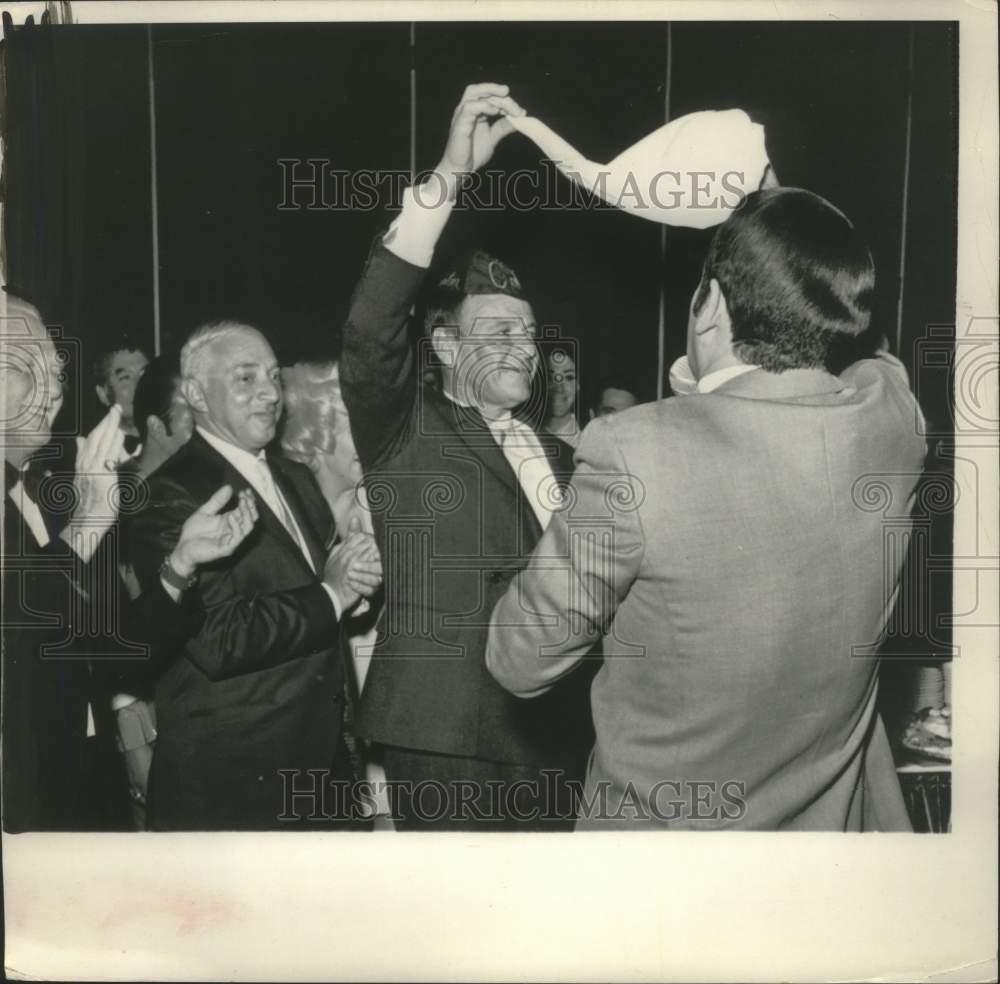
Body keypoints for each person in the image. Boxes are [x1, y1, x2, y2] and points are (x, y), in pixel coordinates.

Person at [486, 187, 926, 831]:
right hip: (826, 863)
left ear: (712, 302)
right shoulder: (892, 422)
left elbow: (519, 658)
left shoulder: (634, 450)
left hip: (667, 878)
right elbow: (876, 361)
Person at [340, 84, 594, 829]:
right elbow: (370, 326)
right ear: (446, 344)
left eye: (528, 333)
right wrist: (450, 174)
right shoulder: (405, 429)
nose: (522, 346)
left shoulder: (562, 454)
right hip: (449, 734)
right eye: (496, 331)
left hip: (558, 731)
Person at [1, 295, 256, 831]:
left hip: (85, 778)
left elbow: (120, 658)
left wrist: (179, 566)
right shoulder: (81, 509)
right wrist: (90, 523)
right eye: (30, 368)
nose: (53, 387)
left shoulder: (55, 493)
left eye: (57, 368)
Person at [128, 321, 382, 830]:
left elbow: (320, 609)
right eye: (245, 379)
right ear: (196, 394)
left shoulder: (294, 477)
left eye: (272, 376)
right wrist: (331, 593)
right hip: (233, 791)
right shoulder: (169, 492)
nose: (270, 393)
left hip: (319, 776)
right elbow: (218, 639)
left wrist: (357, 583)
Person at [280, 360, 391, 824]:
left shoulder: (378, 502)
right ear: (317, 436)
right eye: (354, 426)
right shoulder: (290, 517)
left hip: (382, 706)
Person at [93, 338, 150, 454]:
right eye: (125, 378)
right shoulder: (95, 452)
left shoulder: (179, 440)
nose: (140, 386)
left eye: (145, 374)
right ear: (103, 394)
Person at [542, 347, 581, 447]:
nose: (559, 388)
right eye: (550, 377)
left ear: (578, 385)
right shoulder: (521, 433)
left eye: (569, 377)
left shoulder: (585, 445)